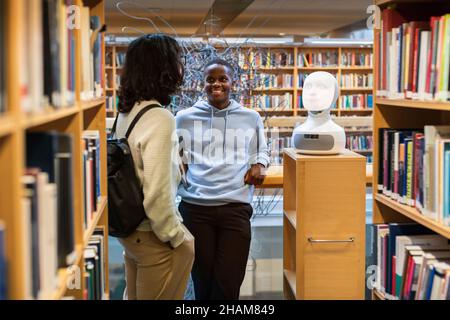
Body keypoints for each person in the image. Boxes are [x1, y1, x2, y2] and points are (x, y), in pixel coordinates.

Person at [176, 58, 270, 300]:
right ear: (203, 84)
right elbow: (174, 154)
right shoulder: (184, 118)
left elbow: (261, 149)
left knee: (228, 284)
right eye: (210, 80)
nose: (216, 84)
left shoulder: (251, 117)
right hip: (195, 209)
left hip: (235, 208)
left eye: (222, 79)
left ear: (232, 83)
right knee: (202, 283)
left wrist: (260, 163)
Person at [115, 34, 194, 300]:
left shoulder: (127, 113)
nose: (180, 68)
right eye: (176, 61)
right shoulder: (160, 118)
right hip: (154, 237)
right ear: (163, 69)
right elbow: (158, 194)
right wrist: (177, 237)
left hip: (130, 233)